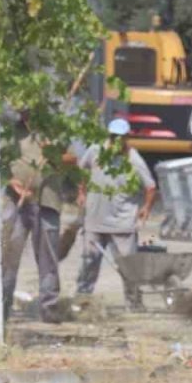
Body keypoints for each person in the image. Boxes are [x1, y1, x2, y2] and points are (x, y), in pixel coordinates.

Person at [74, 118, 157, 311]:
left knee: (128, 268)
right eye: (114, 137)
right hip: (94, 220)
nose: (117, 141)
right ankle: (81, 301)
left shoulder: (133, 158)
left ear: (126, 138)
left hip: (122, 222)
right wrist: (81, 192)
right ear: (109, 137)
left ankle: (134, 303)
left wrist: (145, 208)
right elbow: (81, 170)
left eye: (121, 138)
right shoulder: (95, 151)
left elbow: (151, 186)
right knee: (88, 263)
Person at [1, 124, 70, 324]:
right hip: (16, 203)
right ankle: (3, 305)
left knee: (48, 258)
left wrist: (54, 154)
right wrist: (13, 183)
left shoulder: (55, 130)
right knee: (9, 256)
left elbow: (72, 159)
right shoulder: (12, 132)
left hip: (47, 201)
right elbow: (0, 161)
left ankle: (49, 307)